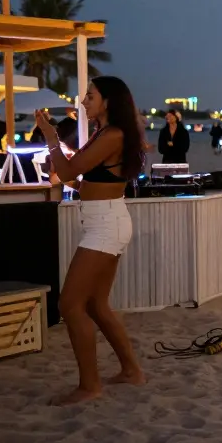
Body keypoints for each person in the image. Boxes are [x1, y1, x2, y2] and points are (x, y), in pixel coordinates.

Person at [35, 76, 146, 404]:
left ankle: (89, 386)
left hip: (106, 224)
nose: (83, 101)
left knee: (69, 304)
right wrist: (70, 176)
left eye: (90, 95)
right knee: (96, 304)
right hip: (106, 218)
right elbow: (86, 181)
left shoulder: (113, 134)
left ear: (108, 101)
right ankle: (131, 371)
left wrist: (52, 139)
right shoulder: (106, 133)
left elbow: (69, 172)